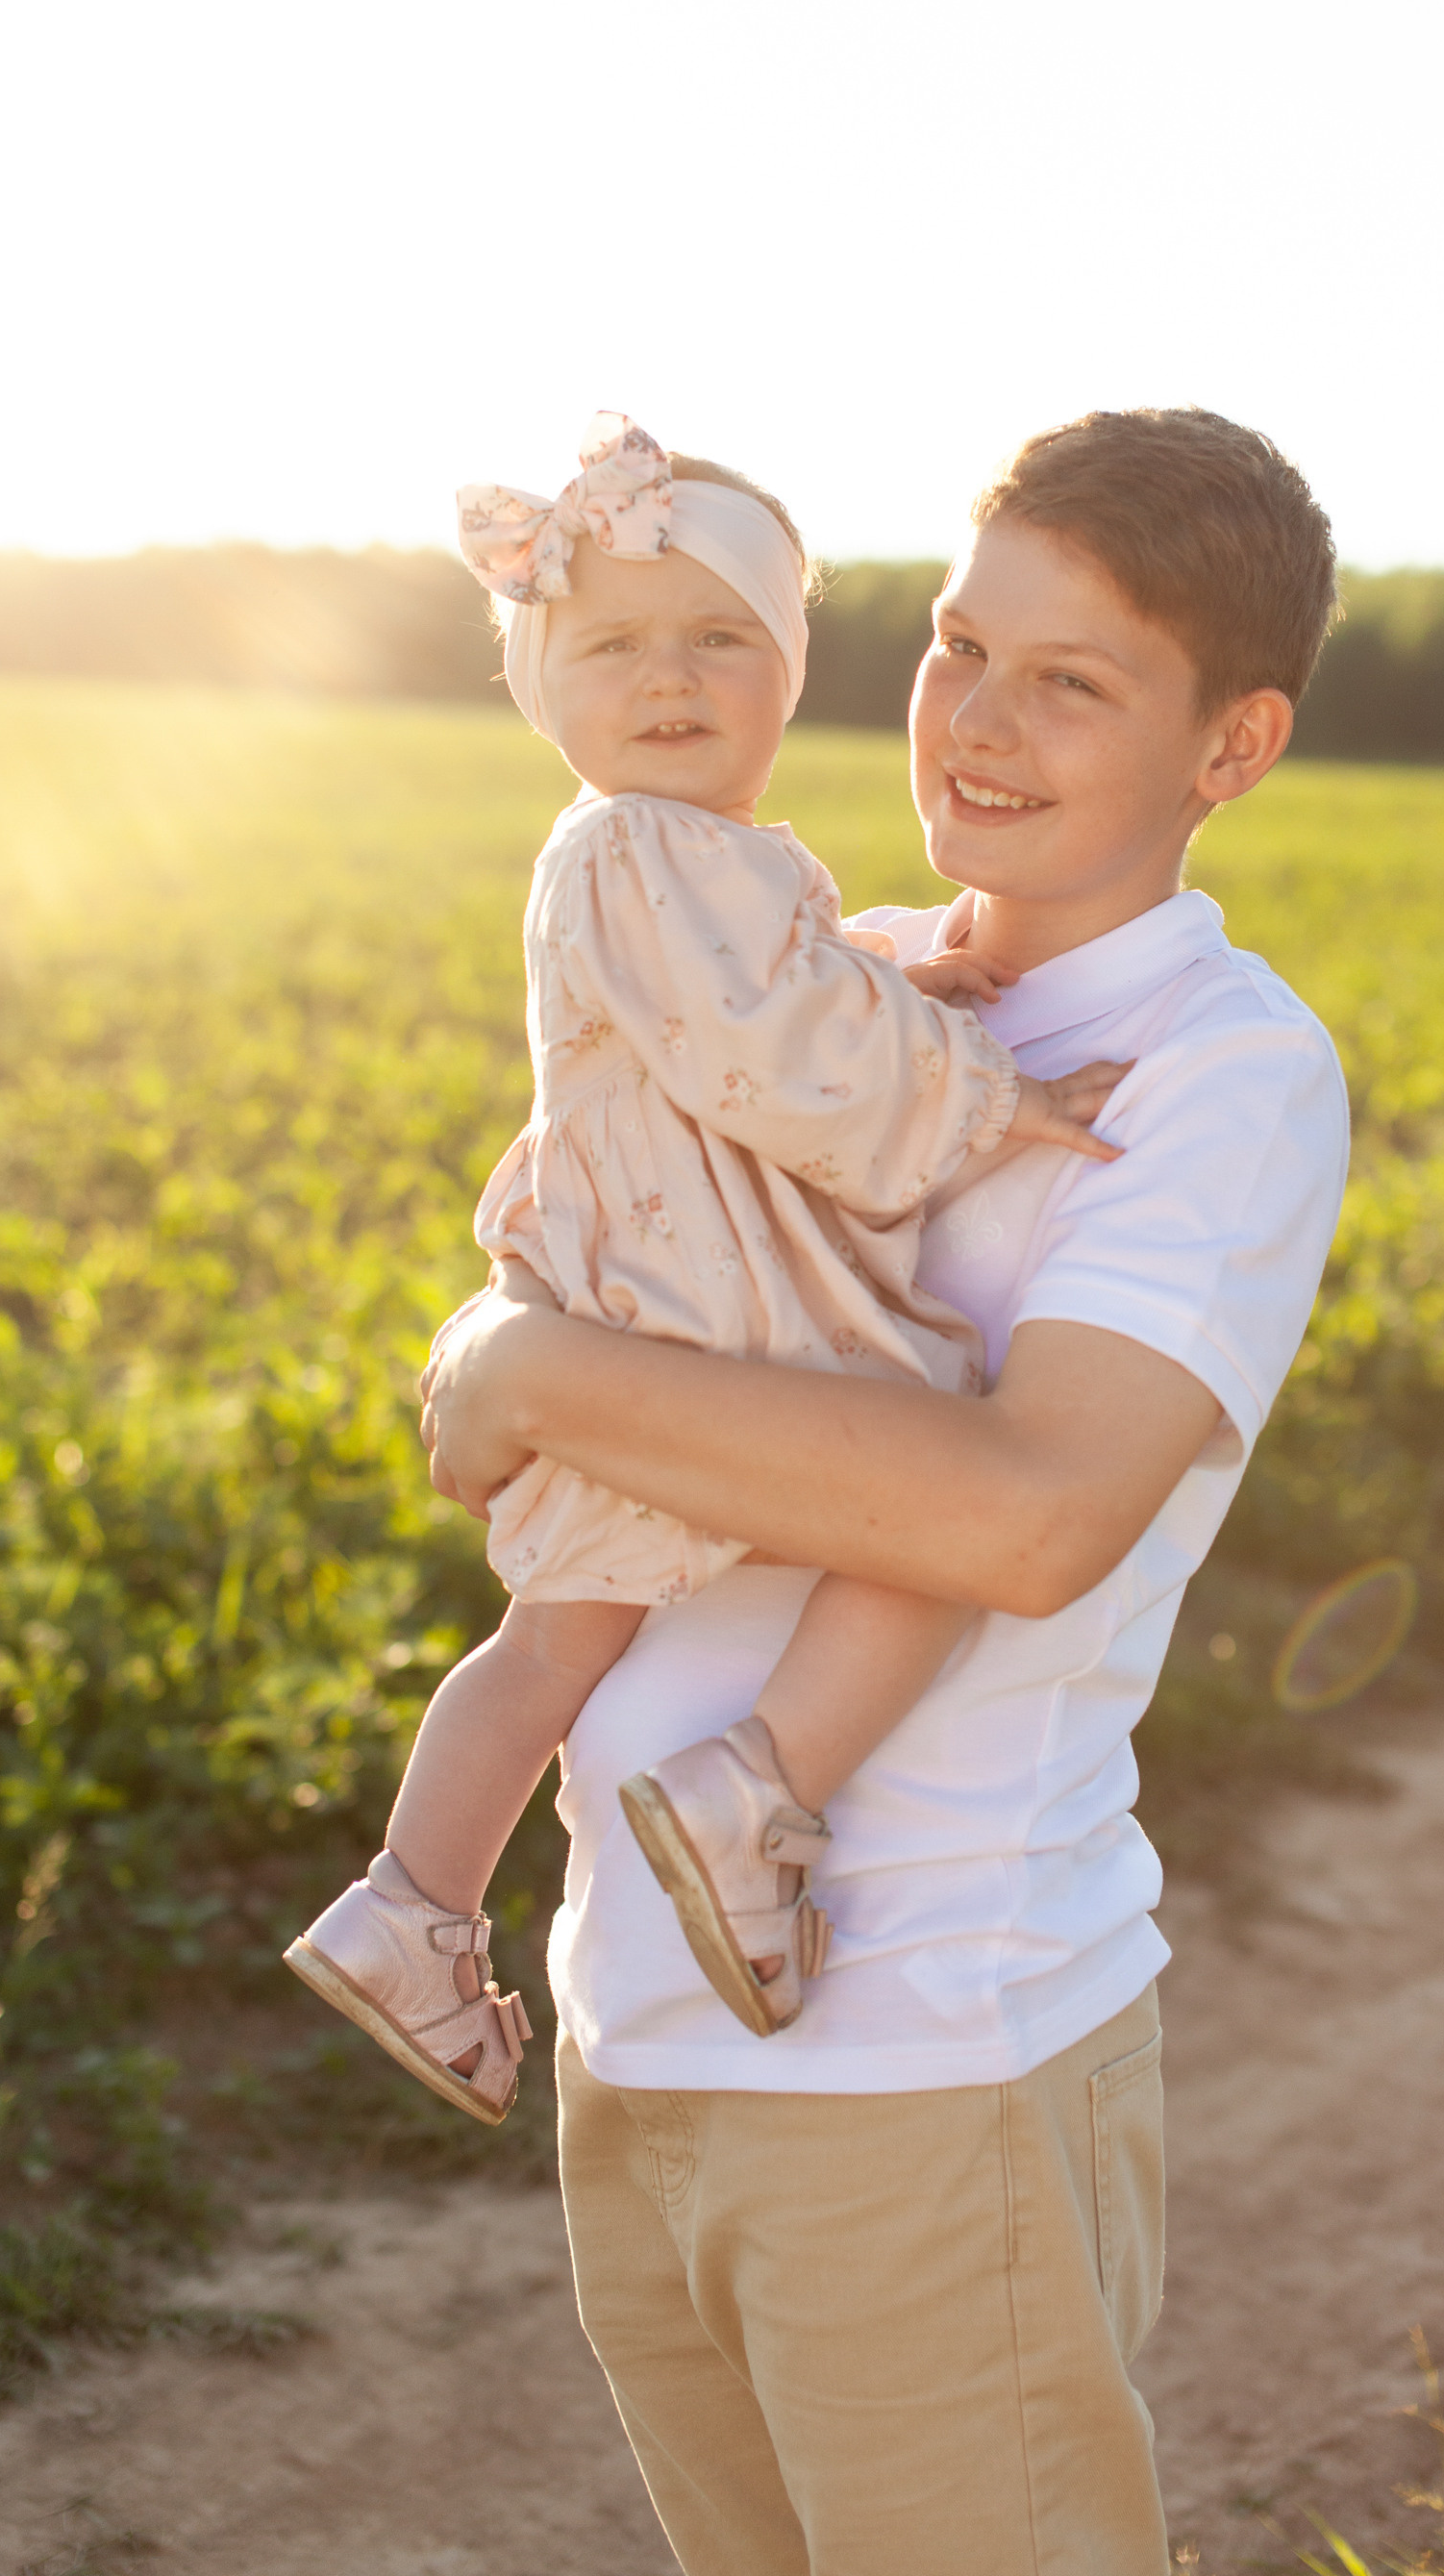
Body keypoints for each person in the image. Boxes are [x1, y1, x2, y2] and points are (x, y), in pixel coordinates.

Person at [420, 406, 1352, 2576]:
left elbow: (1024, 1516)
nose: (979, 725)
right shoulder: (835, 991)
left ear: (1234, 745)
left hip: (930, 2042)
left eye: (1075, 680)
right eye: (956, 646)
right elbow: (597, 1210)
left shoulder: (1217, 1076)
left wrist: (540, 1372)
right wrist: (504, 1335)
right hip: (638, 2017)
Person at [284, 414, 1124, 2114]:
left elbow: (780, 998)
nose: (666, 679)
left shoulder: (700, 857)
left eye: (718, 639)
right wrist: (996, 1099)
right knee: (946, 1472)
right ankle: (758, 1788)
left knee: (556, 1637)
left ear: (788, 672)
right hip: (703, 1308)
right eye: (609, 648)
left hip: (658, 1298)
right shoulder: (627, 846)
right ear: (546, 688)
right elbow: (769, 1051)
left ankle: (416, 1906)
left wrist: (900, 995)